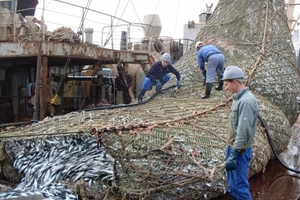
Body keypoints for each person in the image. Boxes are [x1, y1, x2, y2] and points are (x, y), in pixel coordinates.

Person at [222, 66, 259, 200]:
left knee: (240, 186)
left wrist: (234, 153)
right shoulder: (239, 98)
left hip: (239, 150)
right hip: (233, 146)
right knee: (233, 183)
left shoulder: (246, 101)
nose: (225, 88)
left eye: (226, 84)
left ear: (234, 83)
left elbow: (243, 131)